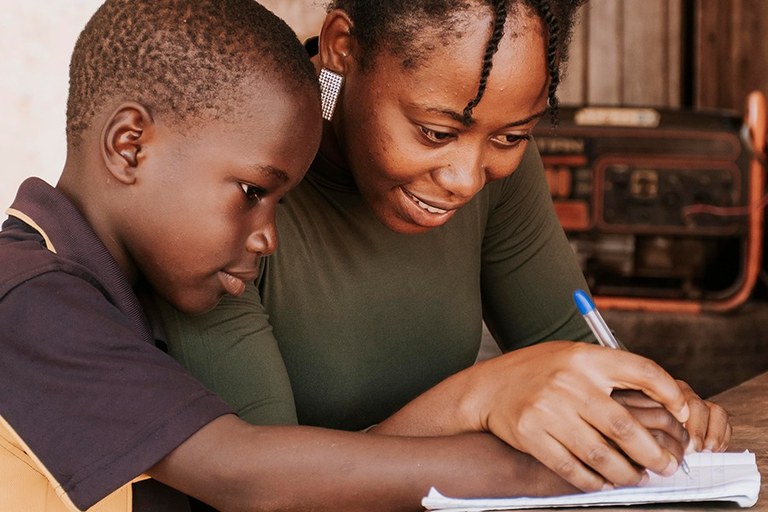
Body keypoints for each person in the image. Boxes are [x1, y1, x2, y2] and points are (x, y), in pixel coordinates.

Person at [0, 1, 648, 511]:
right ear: (129, 145)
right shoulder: (29, 299)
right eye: (255, 193)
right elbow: (242, 473)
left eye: (508, 138)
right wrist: (503, 433)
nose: (269, 236)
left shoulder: (110, 286)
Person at [157, 0, 731, 500]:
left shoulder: (493, 164)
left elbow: (572, 352)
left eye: (510, 137)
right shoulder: (234, 190)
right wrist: (474, 400)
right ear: (341, 48)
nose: (466, 177)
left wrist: (642, 410)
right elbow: (259, 482)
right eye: (435, 132)